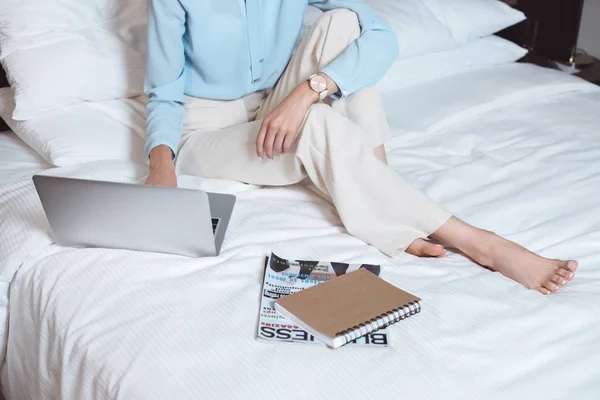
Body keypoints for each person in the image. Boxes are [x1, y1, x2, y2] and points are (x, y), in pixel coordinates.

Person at [143, 0, 577, 295]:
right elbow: (163, 92)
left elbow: (379, 36)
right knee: (316, 123)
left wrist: (309, 90)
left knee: (346, 24)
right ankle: (481, 242)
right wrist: (161, 166)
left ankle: (379, 185)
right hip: (207, 128)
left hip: (278, 105)